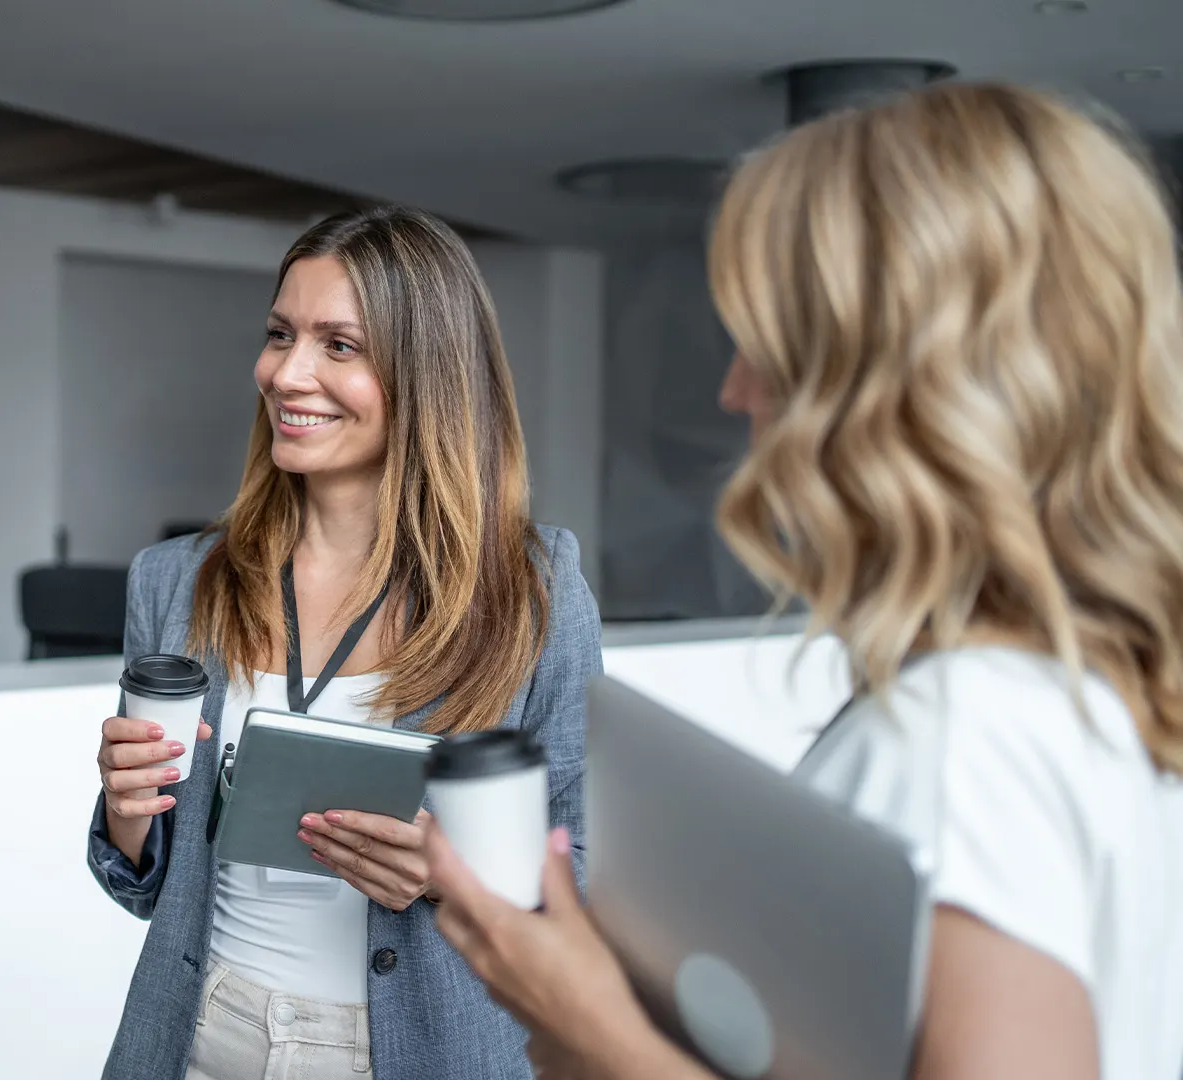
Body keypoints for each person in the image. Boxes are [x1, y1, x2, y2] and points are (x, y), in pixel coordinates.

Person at [427, 82, 1183, 1080]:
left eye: (766, 338)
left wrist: (589, 1028)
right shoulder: (1093, 691)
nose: (734, 388)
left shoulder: (971, 735)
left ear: (887, 373)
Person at [87, 206, 603, 1080]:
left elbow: (589, 870)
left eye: (339, 346)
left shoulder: (534, 589)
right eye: (280, 334)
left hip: (418, 1055)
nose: (287, 373)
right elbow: (148, 884)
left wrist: (453, 874)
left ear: (426, 374)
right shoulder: (177, 579)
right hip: (202, 1037)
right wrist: (127, 812)